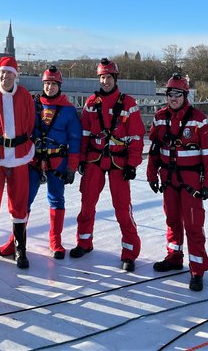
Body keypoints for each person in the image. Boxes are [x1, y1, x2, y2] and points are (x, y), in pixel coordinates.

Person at [0, 66, 82, 260]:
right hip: (33, 160)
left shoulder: (68, 110)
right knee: (23, 201)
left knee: (56, 199)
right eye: (47, 84)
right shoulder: (33, 105)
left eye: (53, 84)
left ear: (59, 85)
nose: (50, 87)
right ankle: (15, 241)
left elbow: (75, 140)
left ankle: (55, 240)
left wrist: (72, 167)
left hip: (58, 161)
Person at [71, 58, 145, 271]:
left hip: (118, 160)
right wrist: (82, 160)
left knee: (122, 208)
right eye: (102, 77)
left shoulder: (128, 104)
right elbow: (84, 134)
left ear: (115, 78)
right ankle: (84, 242)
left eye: (108, 77)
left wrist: (132, 164)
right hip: (94, 158)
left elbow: (137, 136)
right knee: (87, 204)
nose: (105, 81)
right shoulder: (91, 103)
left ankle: (129, 252)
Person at [146, 73, 208, 291]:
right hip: (168, 180)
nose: (173, 98)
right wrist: (151, 175)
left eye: (177, 93)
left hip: (191, 182)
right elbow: (154, 151)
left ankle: (197, 269)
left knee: (194, 226)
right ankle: (174, 257)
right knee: (172, 221)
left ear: (185, 95)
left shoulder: (198, 120)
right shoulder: (159, 117)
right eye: (169, 93)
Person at [0, 56, 35, 269]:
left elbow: (29, 123)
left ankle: (20, 249)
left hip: (20, 155)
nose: (6, 76)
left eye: (10, 73)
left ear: (15, 75)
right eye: (3, 72)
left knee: (19, 202)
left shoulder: (25, 96)